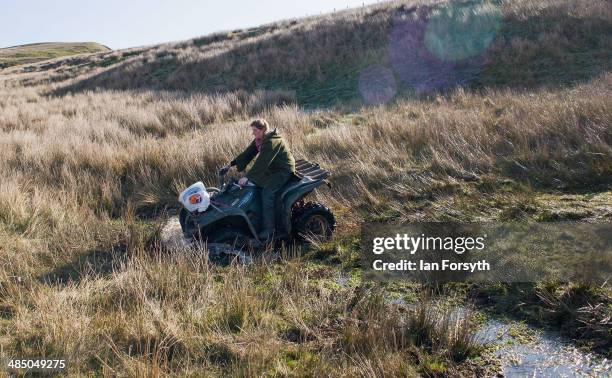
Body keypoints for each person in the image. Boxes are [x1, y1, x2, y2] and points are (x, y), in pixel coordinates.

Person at [223, 119, 296, 240]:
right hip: (273, 168)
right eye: (252, 130)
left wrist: (247, 177)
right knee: (255, 186)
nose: (253, 133)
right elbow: (248, 153)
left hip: (283, 169)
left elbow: (262, 162)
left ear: (263, 130)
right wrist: (231, 164)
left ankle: (269, 229)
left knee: (267, 192)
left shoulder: (272, 142)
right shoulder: (260, 140)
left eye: (255, 130)